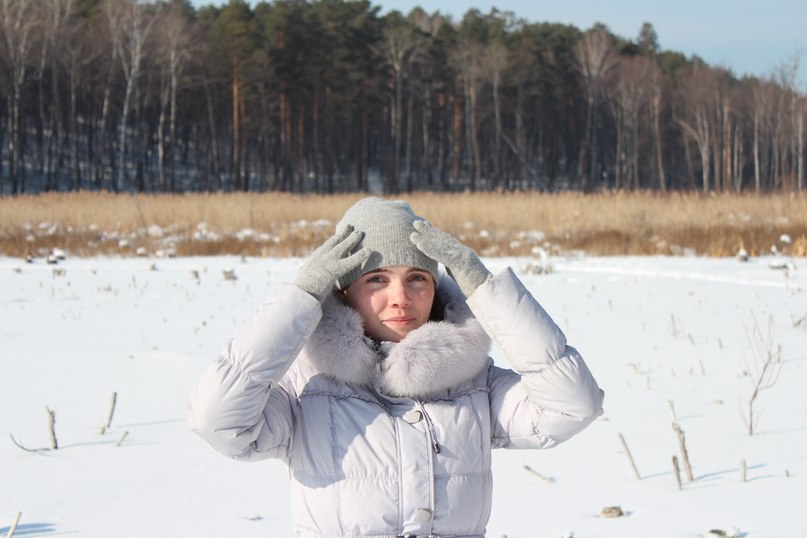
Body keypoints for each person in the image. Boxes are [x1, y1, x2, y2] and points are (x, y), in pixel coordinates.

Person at [188, 197, 604, 537]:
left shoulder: (475, 382)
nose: (401, 297)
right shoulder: (305, 385)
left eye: (418, 277)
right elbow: (219, 423)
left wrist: (487, 292)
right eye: (376, 280)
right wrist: (300, 299)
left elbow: (572, 406)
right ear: (345, 291)